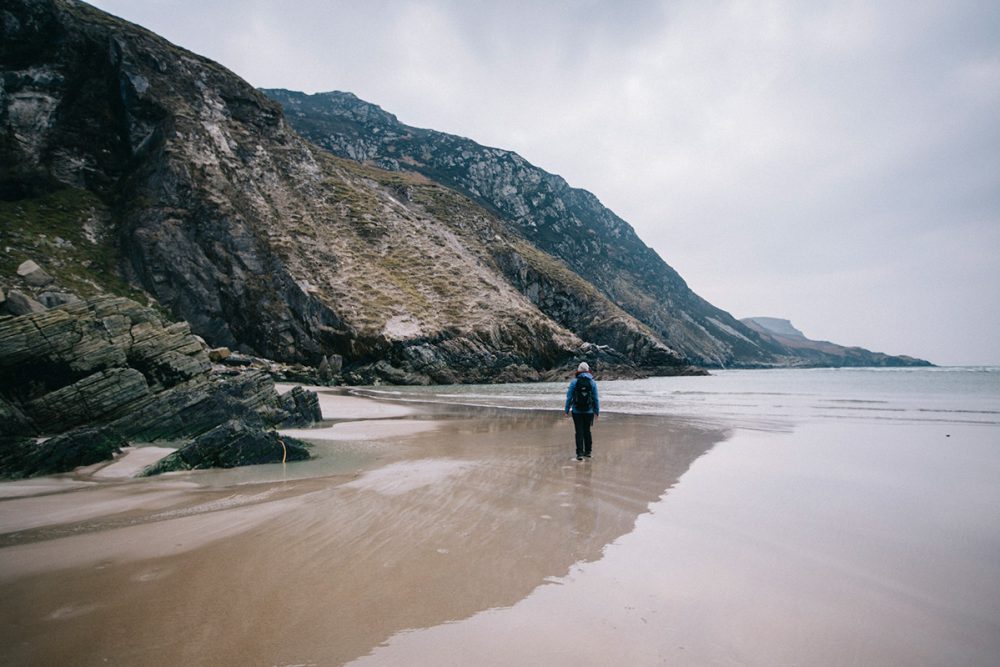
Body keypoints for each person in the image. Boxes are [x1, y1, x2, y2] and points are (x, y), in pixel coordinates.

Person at [564, 362, 599, 461]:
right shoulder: (592, 382)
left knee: (579, 431)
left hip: (576, 411)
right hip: (589, 411)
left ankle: (579, 454)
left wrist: (566, 410)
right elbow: (596, 399)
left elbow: (569, 397)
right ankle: (588, 452)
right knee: (587, 431)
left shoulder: (574, 382)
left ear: (578, 370)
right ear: (588, 370)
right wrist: (596, 411)